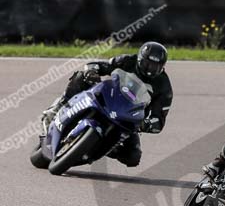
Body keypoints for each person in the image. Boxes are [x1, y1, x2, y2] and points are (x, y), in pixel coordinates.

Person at [41, 42, 173, 167]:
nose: (150, 69)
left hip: (129, 118)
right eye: (147, 64)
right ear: (139, 59)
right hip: (108, 98)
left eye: (155, 66)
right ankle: (58, 107)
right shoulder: (128, 60)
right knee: (81, 77)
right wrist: (92, 72)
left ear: (162, 66)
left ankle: (102, 147)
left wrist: (147, 124)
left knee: (133, 157)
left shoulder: (164, 86)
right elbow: (100, 65)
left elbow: (159, 119)